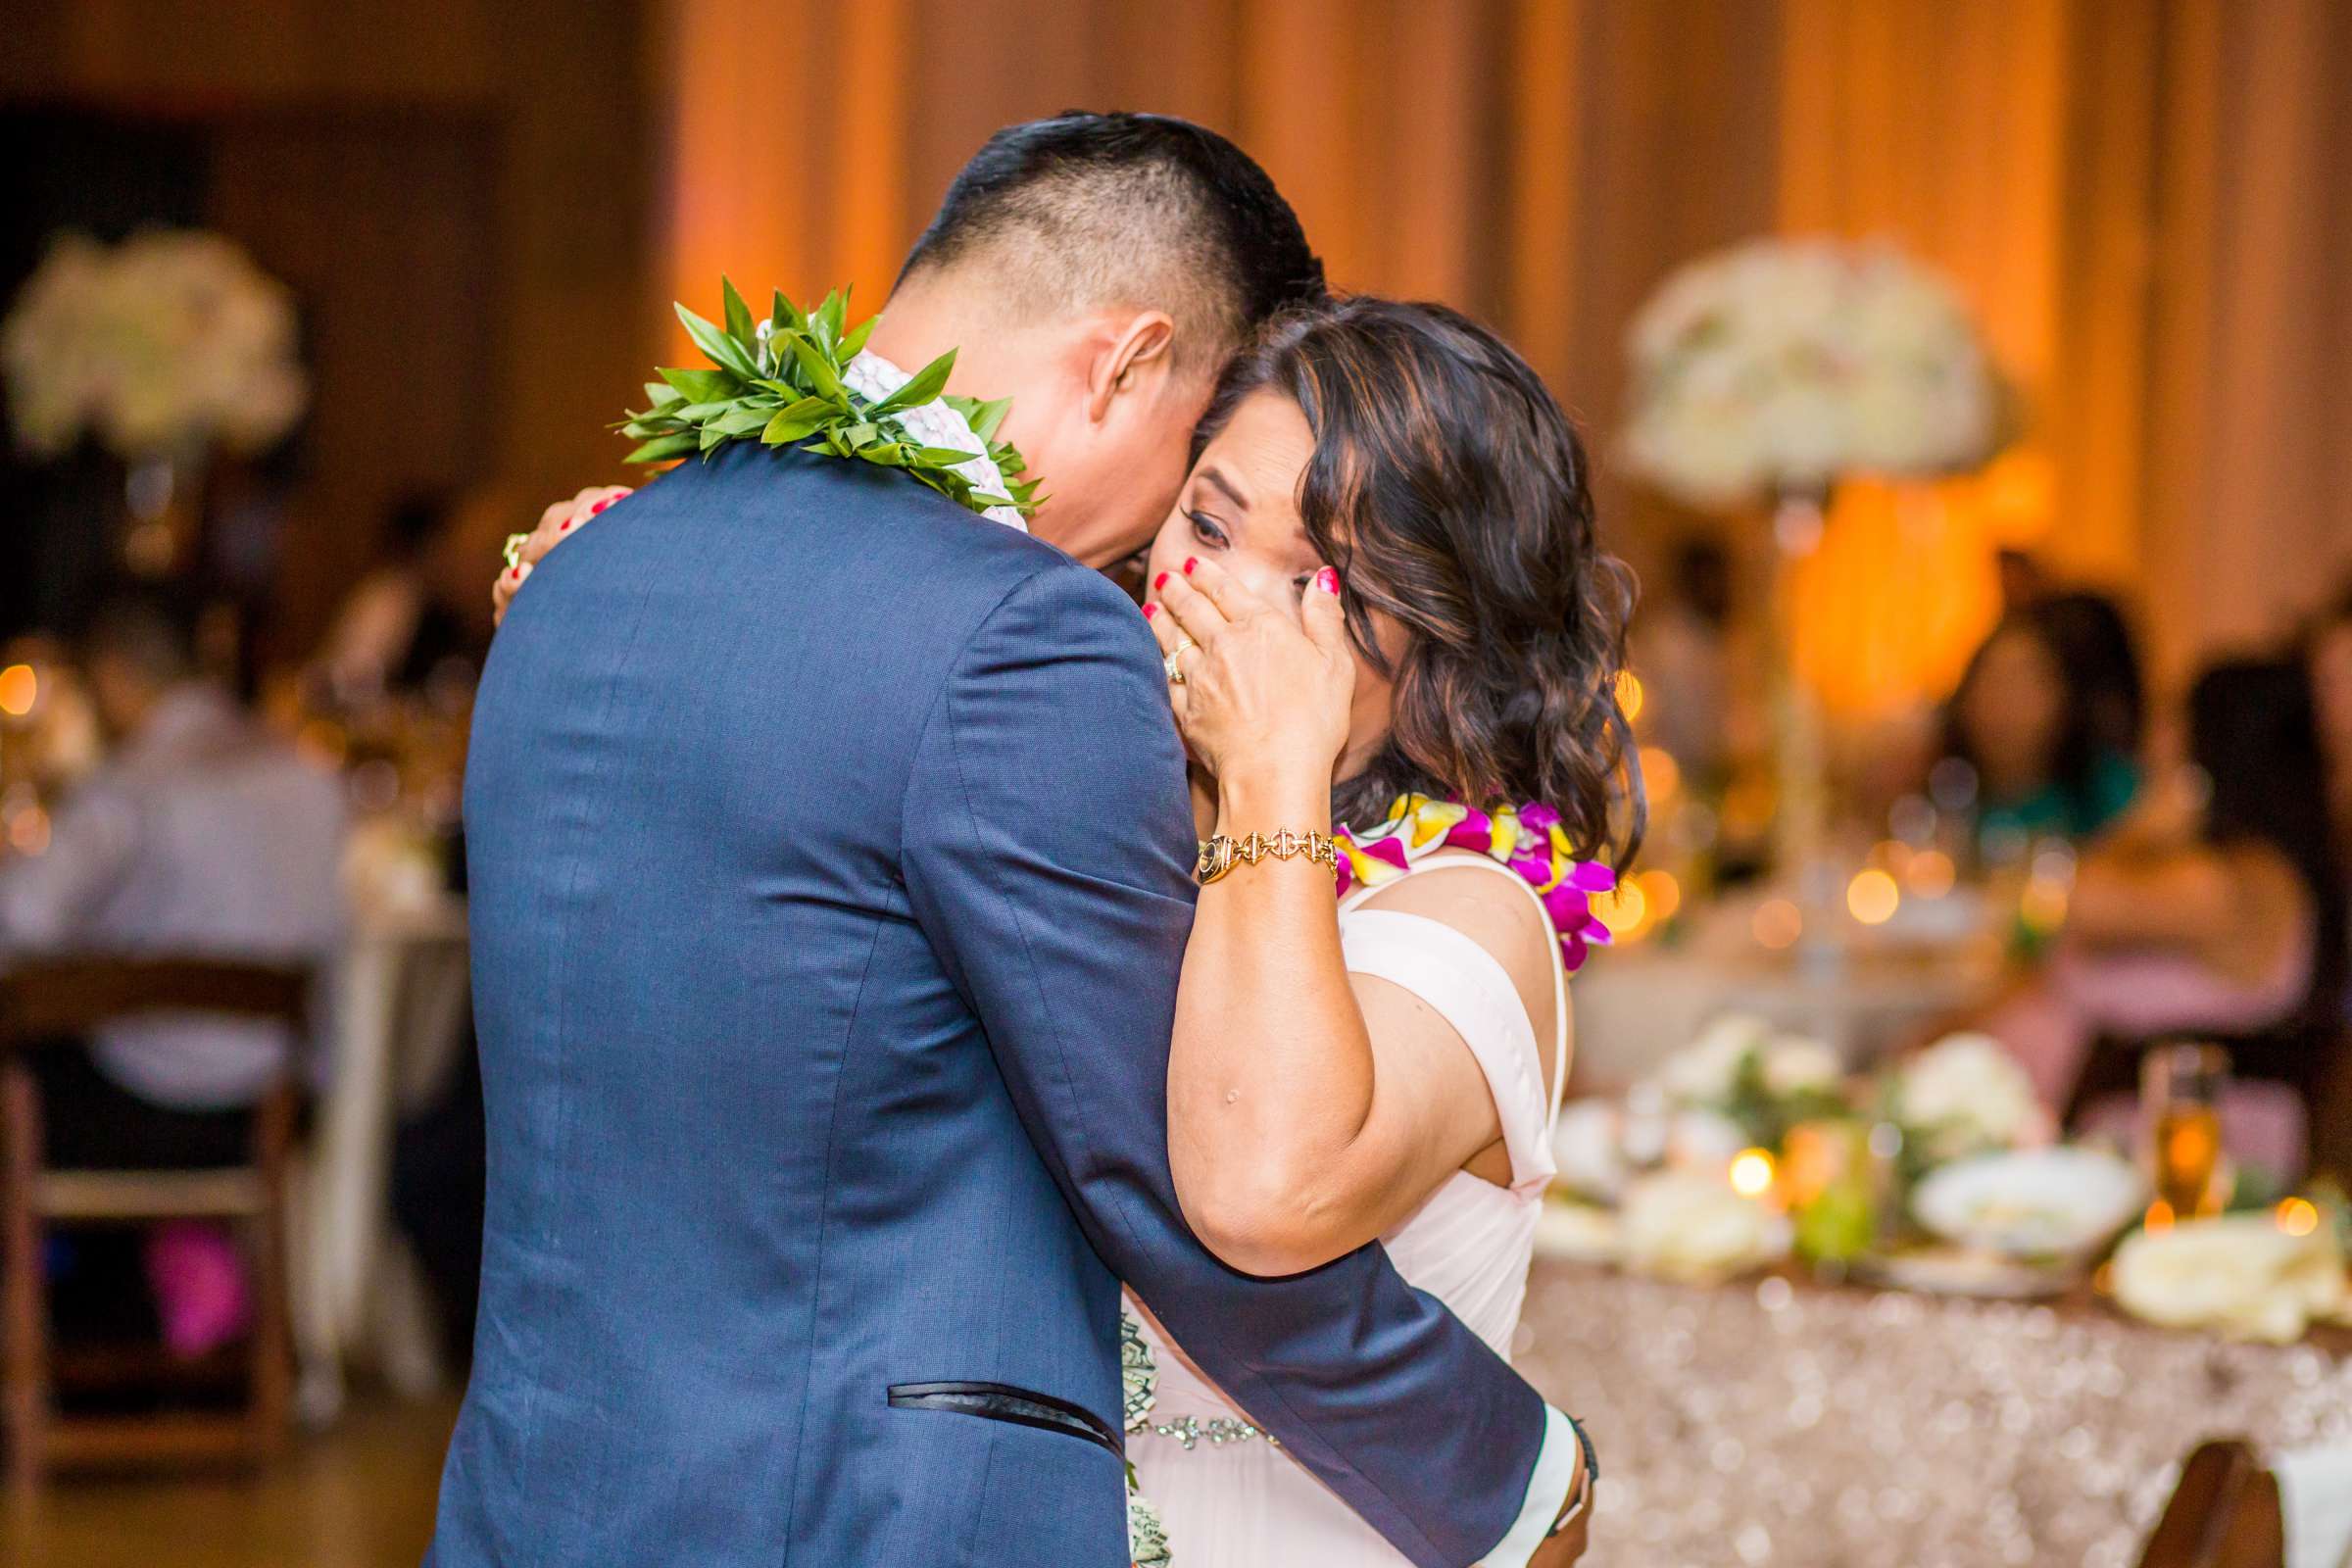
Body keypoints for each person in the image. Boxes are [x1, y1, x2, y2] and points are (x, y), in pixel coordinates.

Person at [441, 114, 1593, 1568]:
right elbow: (1170, 1185)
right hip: (852, 1516)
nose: (1155, 575)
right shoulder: (1018, 638)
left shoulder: (590, 571)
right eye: (1198, 499)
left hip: (545, 1497)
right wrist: (1512, 1475)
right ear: (1123, 364)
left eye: (1316, 575)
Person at [0, 584, 346, 1351]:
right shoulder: (307, 776)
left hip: (142, 1107)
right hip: (271, 1108)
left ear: (115, 675)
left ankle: (69, 1341)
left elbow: (19, 918)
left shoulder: (131, 789)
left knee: (28, 1079)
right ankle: (166, 1307)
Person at [1981, 660, 2344, 1177]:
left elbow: (2075, 899)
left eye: (2174, 726)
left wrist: (2150, 816)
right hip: (2136, 1141)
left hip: (2195, 1157)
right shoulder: (2242, 868)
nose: (2155, 745)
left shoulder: (2225, 884)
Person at [1941, 593, 2141, 855]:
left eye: (2024, 683)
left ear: (2063, 698)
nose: (2006, 703)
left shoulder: (2108, 791)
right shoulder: (1943, 790)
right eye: (1992, 681)